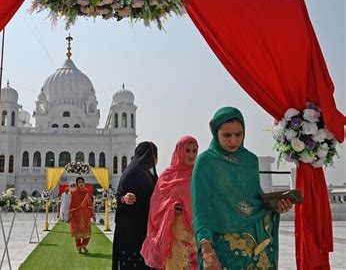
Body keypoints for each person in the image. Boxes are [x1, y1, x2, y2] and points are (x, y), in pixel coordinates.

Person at [192, 107, 293, 270]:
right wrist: (208, 253)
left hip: (259, 245)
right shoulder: (205, 162)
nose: (234, 140)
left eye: (239, 134)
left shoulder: (250, 160)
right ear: (215, 133)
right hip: (226, 247)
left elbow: (256, 201)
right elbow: (201, 210)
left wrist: (276, 206)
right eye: (227, 135)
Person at [141, 136, 199, 269]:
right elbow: (156, 204)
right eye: (187, 151)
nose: (191, 155)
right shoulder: (167, 176)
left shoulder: (199, 174)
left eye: (194, 151)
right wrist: (171, 208)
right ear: (179, 151)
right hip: (174, 231)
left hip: (196, 232)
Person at [112, 141, 158, 270]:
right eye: (154, 155)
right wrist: (124, 199)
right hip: (131, 232)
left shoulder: (148, 175)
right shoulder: (132, 173)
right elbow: (119, 196)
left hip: (144, 228)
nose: (155, 159)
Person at [69, 177, 94, 253]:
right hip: (77, 215)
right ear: (77, 184)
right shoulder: (74, 192)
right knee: (77, 232)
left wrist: (92, 213)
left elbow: (90, 203)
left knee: (88, 232)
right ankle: (79, 247)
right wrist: (71, 215)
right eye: (79, 182)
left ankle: (84, 245)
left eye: (82, 182)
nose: (81, 183)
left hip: (86, 214)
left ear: (84, 183)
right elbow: (72, 204)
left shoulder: (87, 192)